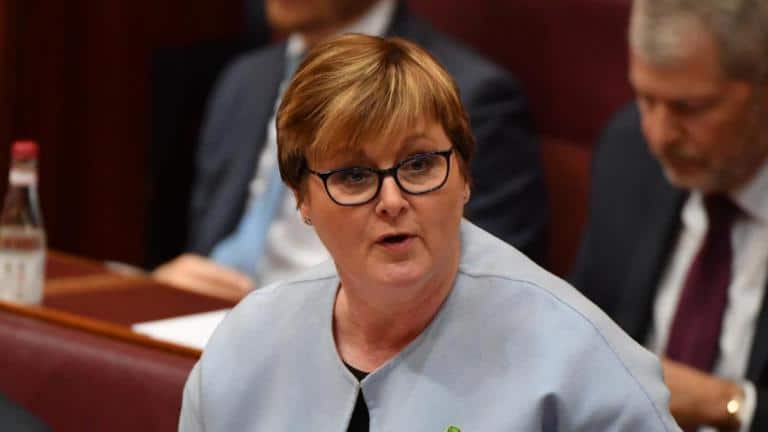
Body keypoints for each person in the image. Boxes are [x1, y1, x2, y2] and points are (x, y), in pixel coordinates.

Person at [179, 34, 679, 431]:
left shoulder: (577, 361)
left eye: (419, 165)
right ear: (301, 198)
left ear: (464, 177)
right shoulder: (248, 344)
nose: (392, 200)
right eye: (354, 175)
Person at [152, 0, 547, 300]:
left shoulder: (471, 94)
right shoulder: (243, 79)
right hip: (208, 319)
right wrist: (168, 288)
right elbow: (204, 240)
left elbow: (486, 291)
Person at [570, 0, 768, 430]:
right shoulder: (629, 153)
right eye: (645, 99)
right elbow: (579, 332)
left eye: (690, 109)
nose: (659, 135)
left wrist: (730, 405)